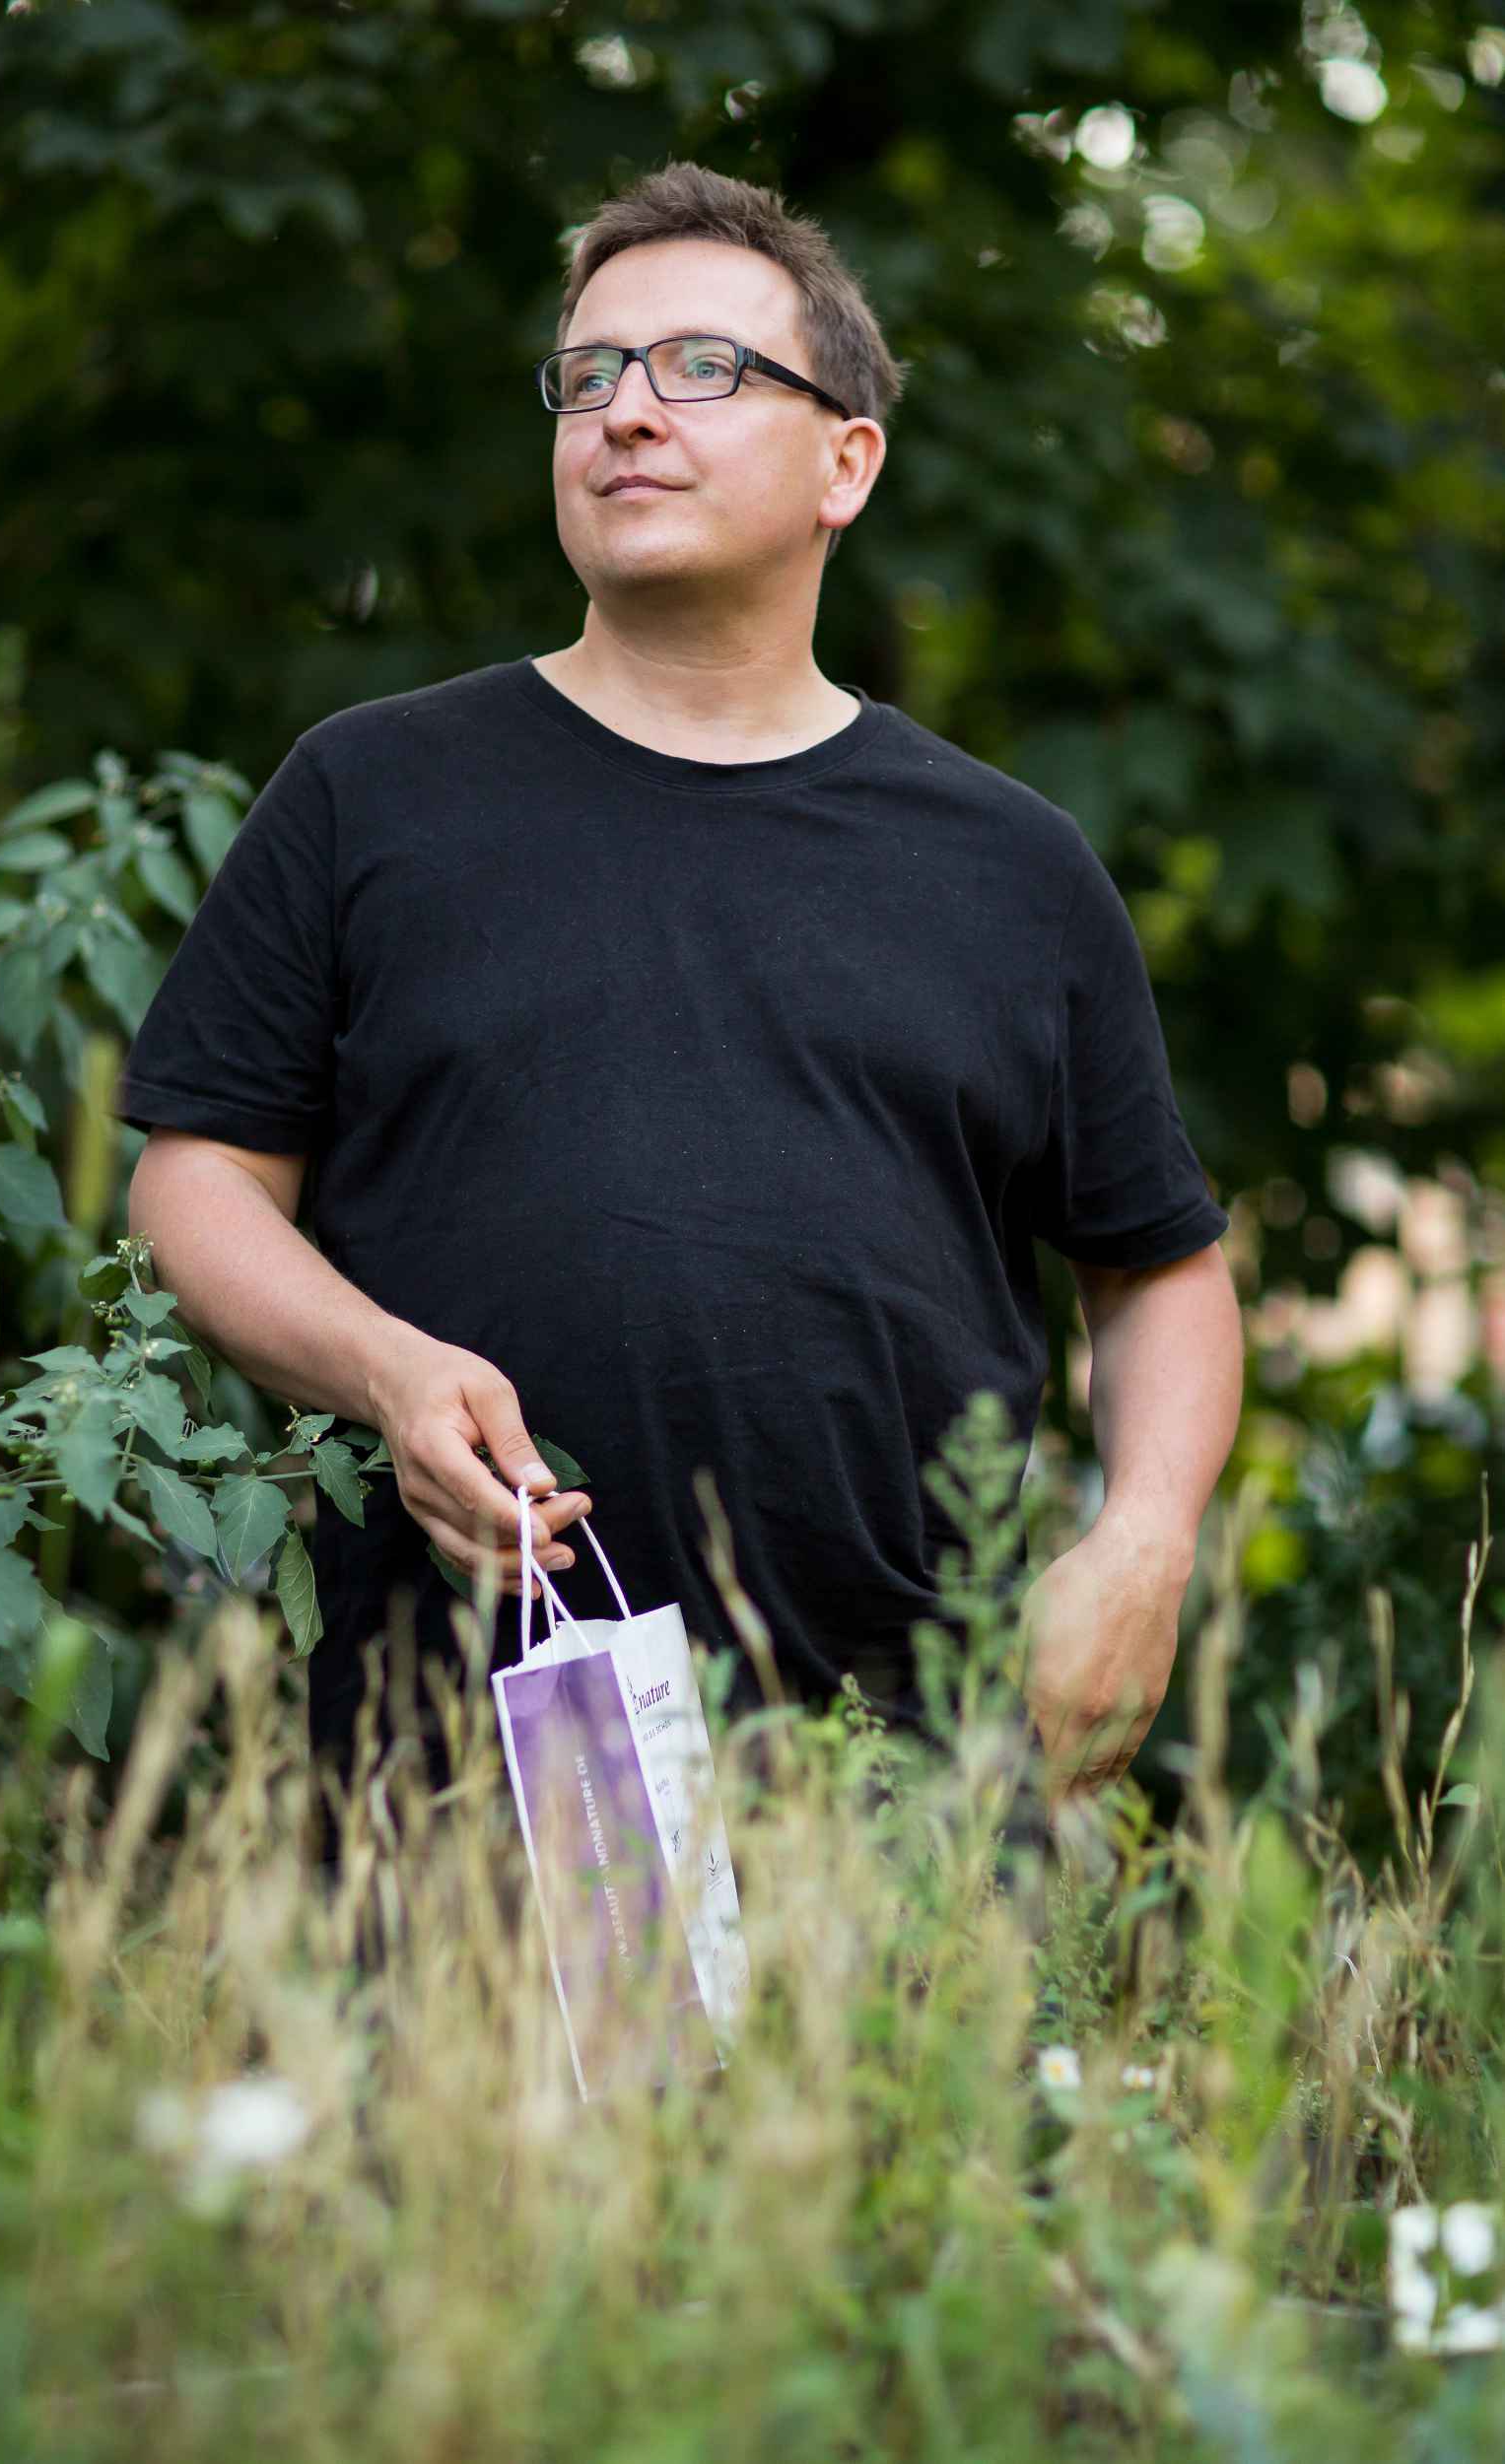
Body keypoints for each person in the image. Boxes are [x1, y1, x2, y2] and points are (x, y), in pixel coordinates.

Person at [116, 160, 1243, 1851]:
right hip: (469, 1739)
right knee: (472, 2134)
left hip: (909, 1761)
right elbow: (195, 1180)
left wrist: (1143, 1546)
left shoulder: (1011, 866)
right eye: (590, 374)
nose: (627, 413)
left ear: (844, 463)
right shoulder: (371, 793)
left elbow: (1158, 1269)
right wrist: (389, 1373)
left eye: (703, 368)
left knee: (883, 2132)